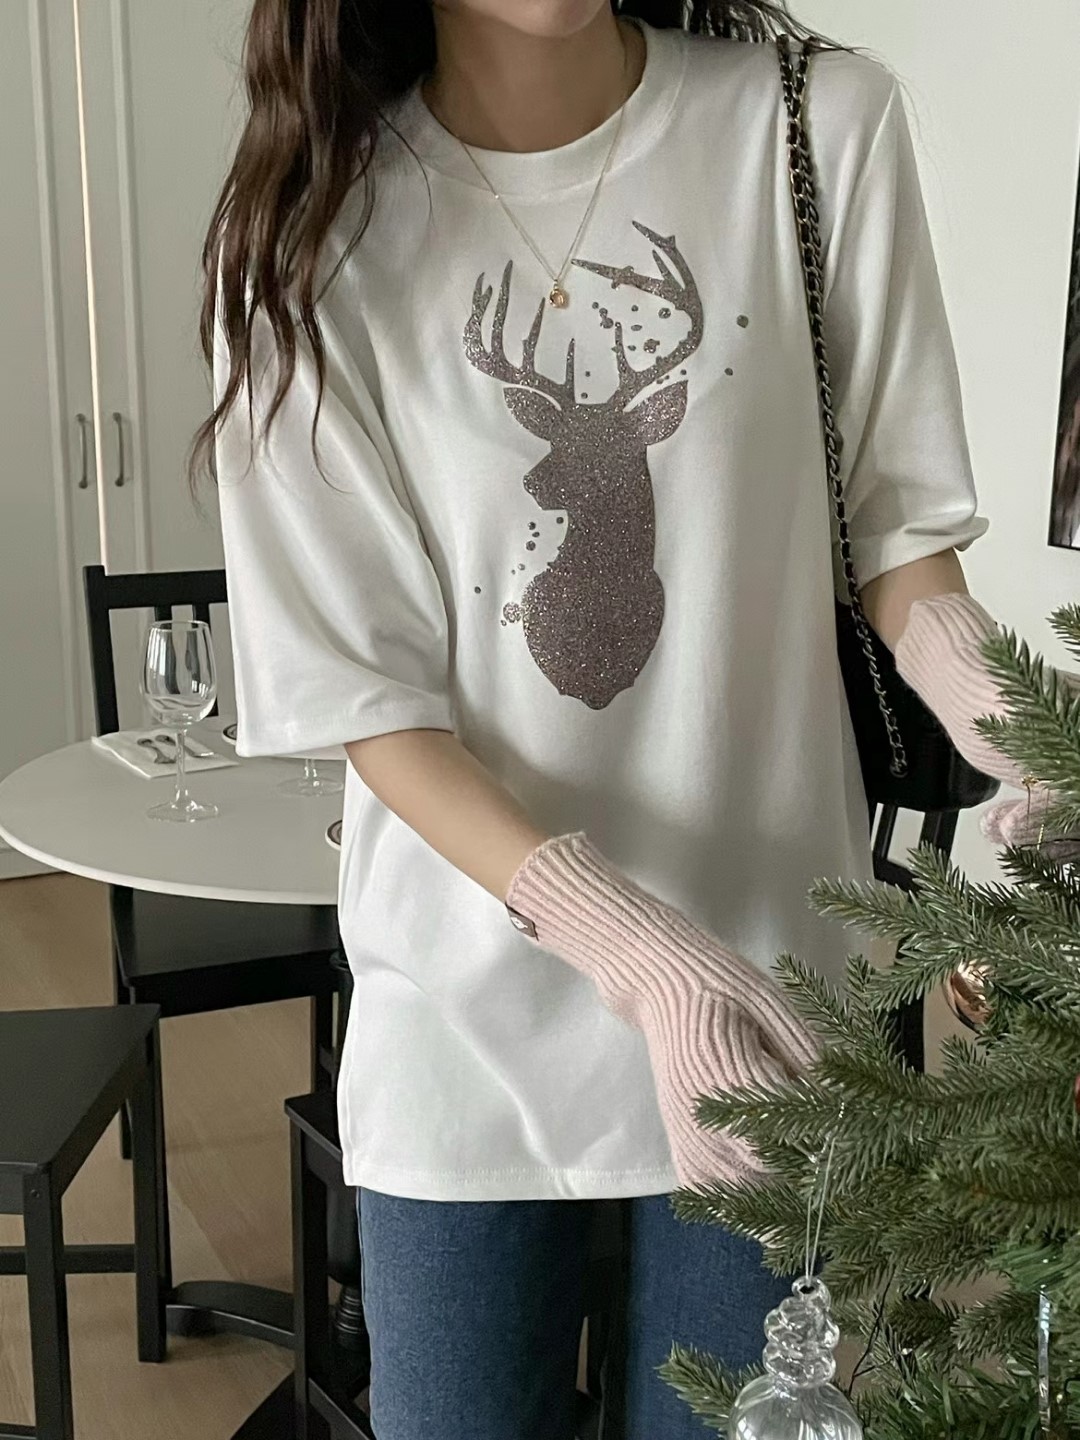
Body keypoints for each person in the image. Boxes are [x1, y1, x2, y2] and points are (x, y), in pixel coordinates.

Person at [191, 2, 1027, 1435]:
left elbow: (898, 536)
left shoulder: (811, 124)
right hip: (463, 1019)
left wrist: (1017, 730)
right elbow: (369, 698)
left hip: (774, 1002)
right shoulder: (308, 230)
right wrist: (640, 955)